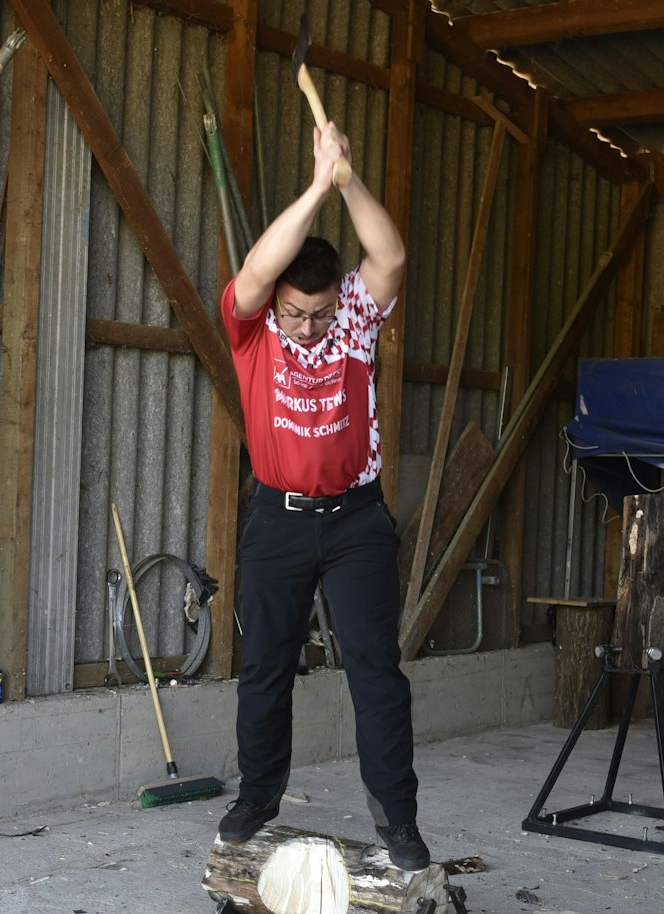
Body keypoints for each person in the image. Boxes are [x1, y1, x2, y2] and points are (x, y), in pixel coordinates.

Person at [214, 121, 428, 873]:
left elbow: (391, 255)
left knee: (376, 669)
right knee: (266, 664)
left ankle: (397, 819)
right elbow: (254, 266)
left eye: (321, 313)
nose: (308, 330)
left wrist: (347, 179)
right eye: (296, 314)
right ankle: (258, 795)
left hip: (356, 520)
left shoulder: (356, 322)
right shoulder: (253, 330)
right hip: (278, 518)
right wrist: (314, 185)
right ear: (276, 307)